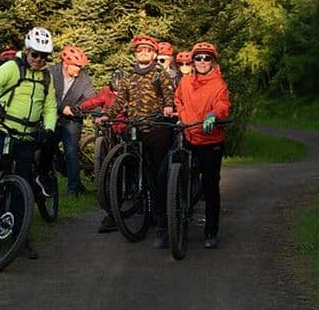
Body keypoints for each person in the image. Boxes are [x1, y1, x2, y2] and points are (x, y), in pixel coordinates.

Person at [0, 26, 58, 259]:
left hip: (26, 136)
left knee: (23, 187)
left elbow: (50, 108)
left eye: (44, 56)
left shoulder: (46, 78)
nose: (39, 60)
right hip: (1, 131)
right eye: (35, 55)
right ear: (26, 50)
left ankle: (20, 238)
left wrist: (48, 130)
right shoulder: (11, 68)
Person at [97, 35, 175, 248]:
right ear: (136, 53)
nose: (144, 53)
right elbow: (120, 100)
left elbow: (169, 95)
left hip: (157, 130)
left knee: (159, 177)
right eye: (140, 50)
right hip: (136, 129)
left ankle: (163, 224)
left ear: (153, 54)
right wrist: (107, 114)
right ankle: (140, 210)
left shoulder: (160, 74)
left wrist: (168, 107)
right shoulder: (129, 76)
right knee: (138, 170)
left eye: (148, 50)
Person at [174, 42, 231, 249]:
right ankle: (171, 220)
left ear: (213, 61)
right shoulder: (186, 82)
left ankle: (210, 231)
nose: (202, 62)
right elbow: (178, 100)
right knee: (172, 174)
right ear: (193, 60)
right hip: (189, 134)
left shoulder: (219, 84)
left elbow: (223, 105)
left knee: (210, 185)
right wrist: (182, 116)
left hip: (210, 140)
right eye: (198, 58)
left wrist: (214, 115)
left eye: (207, 58)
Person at [76, 69, 128, 233]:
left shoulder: (130, 92)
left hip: (126, 127)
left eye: (121, 90)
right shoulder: (106, 92)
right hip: (111, 127)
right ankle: (109, 174)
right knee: (111, 153)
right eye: (115, 90)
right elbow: (94, 101)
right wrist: (80, 107)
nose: (118, 92)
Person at [46, 44, 94, 196]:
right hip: (51, 116)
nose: (79, 69)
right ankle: (48, 183)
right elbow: (45, 95)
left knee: (72, 151)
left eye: (81, 66)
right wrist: (62, 107)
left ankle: (73, 189)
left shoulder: (84, 79)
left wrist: (100, 113)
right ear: (66, 64)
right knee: (47, 149)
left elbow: (91, 100)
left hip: (72, 119)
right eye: (77, 66)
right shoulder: (51, 72)